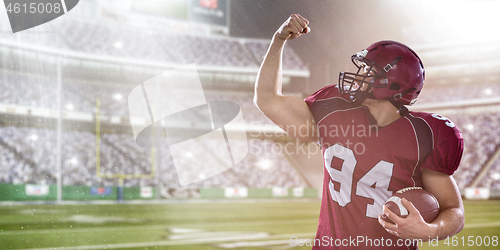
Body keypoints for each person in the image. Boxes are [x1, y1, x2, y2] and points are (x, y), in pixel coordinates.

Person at [254, 14, 465, 249]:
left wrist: (430, 230)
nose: (359, 76)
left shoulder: (426, 134)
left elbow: (453, 210)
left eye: (368, 70)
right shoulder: (333, 109)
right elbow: (268, 100)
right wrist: (279, 39)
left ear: (394, 84)